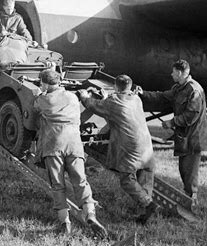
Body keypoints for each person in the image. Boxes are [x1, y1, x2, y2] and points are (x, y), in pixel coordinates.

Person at [33, 69, 107, 237]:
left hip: (54, 145)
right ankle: (90, 213)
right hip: (74, 144)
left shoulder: (44, 99)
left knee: (58, 184)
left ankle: (64, 222)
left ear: (44, 83)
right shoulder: (73, 97)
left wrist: (39, 92)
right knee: (81, 181)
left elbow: (34, 107)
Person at [78, 75, 157, 224]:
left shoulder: (113, 102)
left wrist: (84, 97)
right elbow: (120, 105)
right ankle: (144, 213)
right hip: (146, 146)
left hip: (130, 148)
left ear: (115, 86)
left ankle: (148, 204)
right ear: (130, 86)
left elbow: (94, 105)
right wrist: (107, 97)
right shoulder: (136, 99)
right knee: (145, 177)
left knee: (127, 179)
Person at [138, 59, 207, 209]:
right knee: (184, 170)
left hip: (193, 138)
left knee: (189, 173)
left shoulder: (194, 90)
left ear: (180, 73)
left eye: (173, 72)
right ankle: (188, 201)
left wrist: (172, 122)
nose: (171, 74)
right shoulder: (179, 88)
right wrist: (142, 93)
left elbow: (191, 115)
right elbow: (163, 96)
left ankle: (192, 204)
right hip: (185, 136)